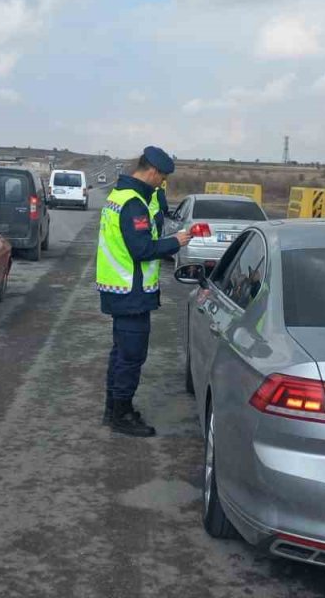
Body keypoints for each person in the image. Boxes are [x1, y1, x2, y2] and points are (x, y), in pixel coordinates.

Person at [97, 146, 191, 437]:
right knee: (131, 357)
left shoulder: (120, 196)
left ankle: (113, 409)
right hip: (131, 294)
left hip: (121, 291)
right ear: (151, 171)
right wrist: (176, 241)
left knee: (121, 354)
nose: (161, 183)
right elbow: (142, 249)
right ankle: (121, 414)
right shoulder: (133, 203)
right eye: (161, 178)